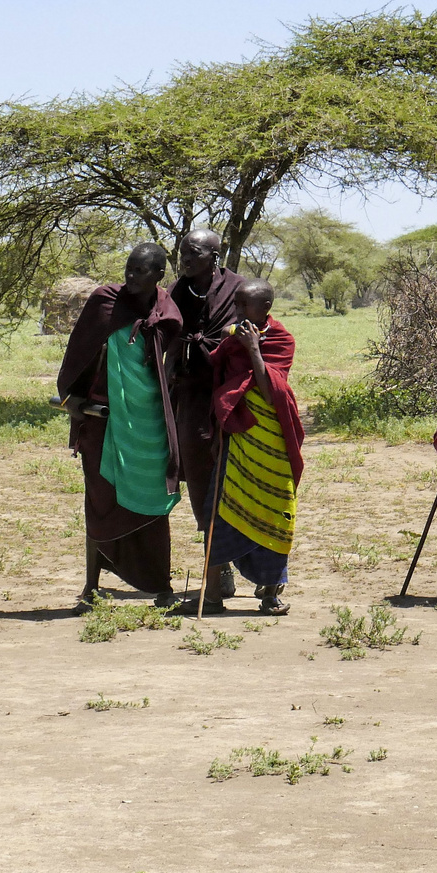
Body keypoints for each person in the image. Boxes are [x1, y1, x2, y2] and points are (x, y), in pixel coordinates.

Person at [57, 244, 184, 611]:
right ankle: (91, 586)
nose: (131, 276)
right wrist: (75, 398)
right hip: (102, 418)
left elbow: (169, 362)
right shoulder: (105, 301)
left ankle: (160, 584)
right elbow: (80, 352)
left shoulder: (165, 310)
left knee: (153, 499)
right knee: (99, 499)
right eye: (129, 268)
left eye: (141, 271)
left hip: (149, 420)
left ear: (159, 274)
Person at [196, 279, 304, 615]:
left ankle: (270, 592)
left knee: (274, 509)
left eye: (246, 306)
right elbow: (219, 375)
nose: (239, 312)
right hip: (238, 436)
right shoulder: (232, 339)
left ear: (266, 308)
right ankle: (211, 595)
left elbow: (272, 390)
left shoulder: (281, 339)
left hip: (270, 438)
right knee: (217, 511)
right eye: (237, 305)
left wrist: (254, 348)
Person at [167, 229, 246, 602]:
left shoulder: (238, 288)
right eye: (182, 252)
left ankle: (253, 566)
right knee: (198, 472)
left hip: (231, 394)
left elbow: (251, 334)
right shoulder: (177, 291)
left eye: (193, 252)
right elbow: (165, 335)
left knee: (235, 475)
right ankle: (218, 567)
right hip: (191, 395)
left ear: (215, 255)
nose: (185, 258)